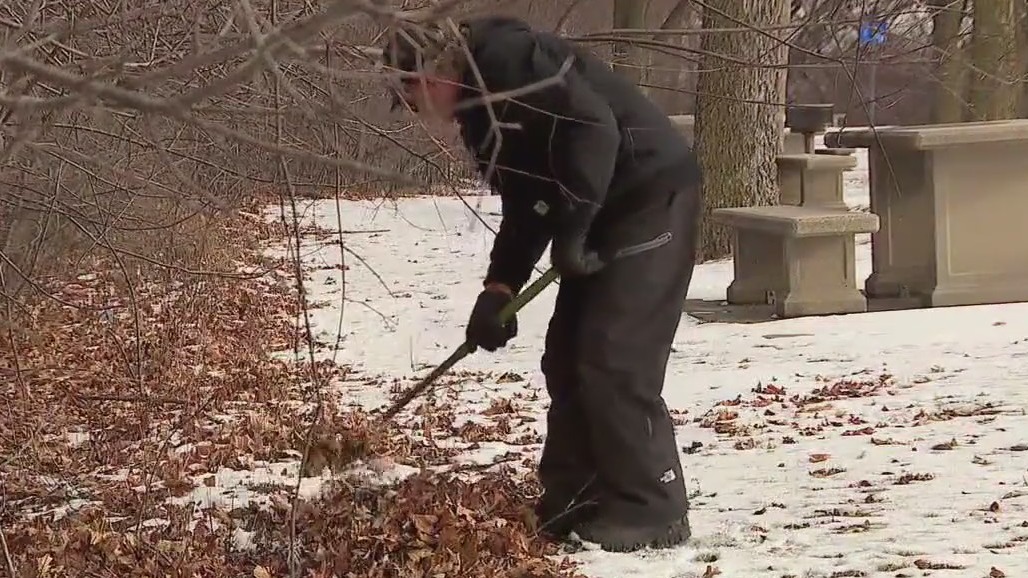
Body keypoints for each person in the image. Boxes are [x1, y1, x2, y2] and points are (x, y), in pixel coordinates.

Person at [381, 15, 702, 553]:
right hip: (600, 214)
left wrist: (574, 228)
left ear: (430, 78)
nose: (416, 115)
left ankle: (654, 508)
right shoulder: (483, 117)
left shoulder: (508, 63)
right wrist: (499, 289)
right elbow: (526, 204)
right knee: (565, 356)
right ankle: (575, 496)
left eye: (410, 99)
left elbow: (593, 129)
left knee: (612, 356)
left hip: (649, 201)